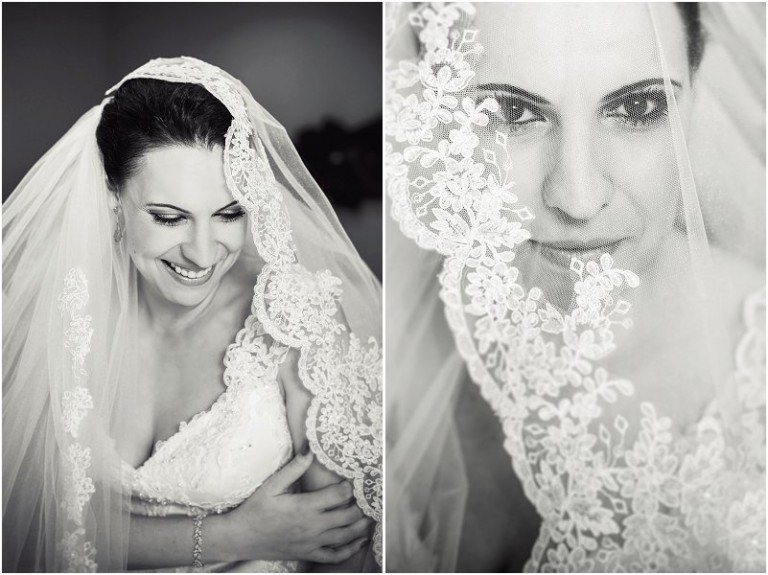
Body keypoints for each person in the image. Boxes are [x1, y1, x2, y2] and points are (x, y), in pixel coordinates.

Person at [386, 2, 764, 572]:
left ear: (693, 98)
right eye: (510, 111)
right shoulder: (393, 340)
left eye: (638, 107)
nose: (579, 199)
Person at [3, 57, 382, 572]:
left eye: (229, 214)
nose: (203, 254)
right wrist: (233, 535)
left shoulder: (297, 320)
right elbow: (29, 522)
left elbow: (344, 547)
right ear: (112, 201)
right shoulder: (57, 317)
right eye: (169, 218)